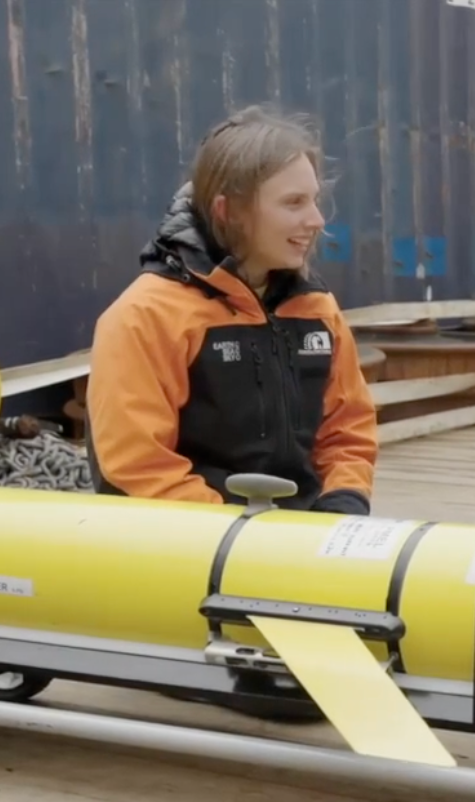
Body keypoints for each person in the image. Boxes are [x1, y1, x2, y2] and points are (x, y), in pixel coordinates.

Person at [86, 105, 378, 516]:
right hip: (189, 548)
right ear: (229, 211)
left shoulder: (317, 310)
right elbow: (137, 466)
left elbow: (347, 433)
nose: (316, 220)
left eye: (314, 200)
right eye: (293, 203)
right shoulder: (146, 316)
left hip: (298, 540)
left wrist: (342, 503)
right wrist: (243, 536)